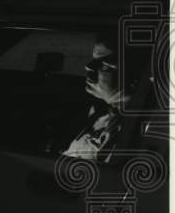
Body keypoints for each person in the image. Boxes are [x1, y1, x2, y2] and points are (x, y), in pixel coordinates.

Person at [61, 30, 144, 161]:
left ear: (133, 75)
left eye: (105, 64)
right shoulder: (99, 111)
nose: (88, 67)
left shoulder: (138, 127)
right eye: (94, 60)